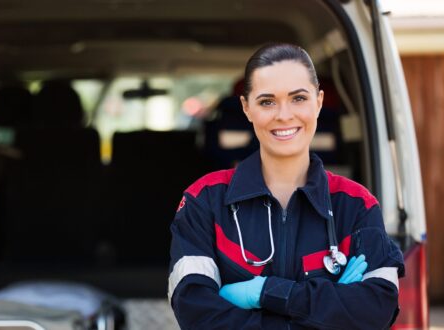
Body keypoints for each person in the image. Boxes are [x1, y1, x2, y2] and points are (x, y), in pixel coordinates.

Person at [168, 43, 404, 329]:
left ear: (318, 102)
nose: (284, 115)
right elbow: (196, 313)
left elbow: (376, 310)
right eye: (267, 101)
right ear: (246, 108)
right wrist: (331, 305)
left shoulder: (356, 204)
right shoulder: (204, 200)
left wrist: (267, 292)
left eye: (298, 98)